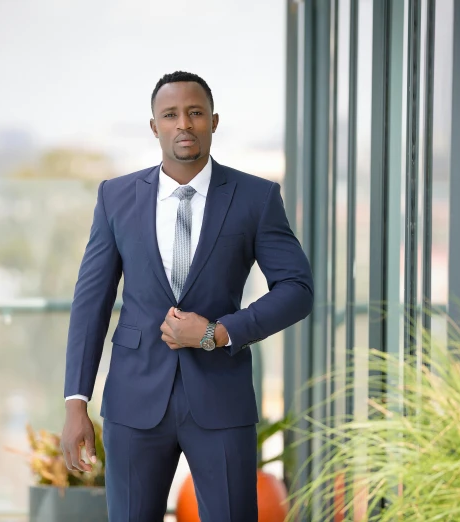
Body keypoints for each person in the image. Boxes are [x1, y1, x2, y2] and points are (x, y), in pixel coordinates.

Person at [61, 70, 313, 521]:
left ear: (213, 122)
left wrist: (218, 332)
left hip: (221, 399)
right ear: (154, 126)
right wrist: (76, 402)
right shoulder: (116, 197)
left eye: (195, 113)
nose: (184, 124)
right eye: (171, 114)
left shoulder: (255, 197)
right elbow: (90, 304)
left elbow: (298, 290)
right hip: (134, 402)